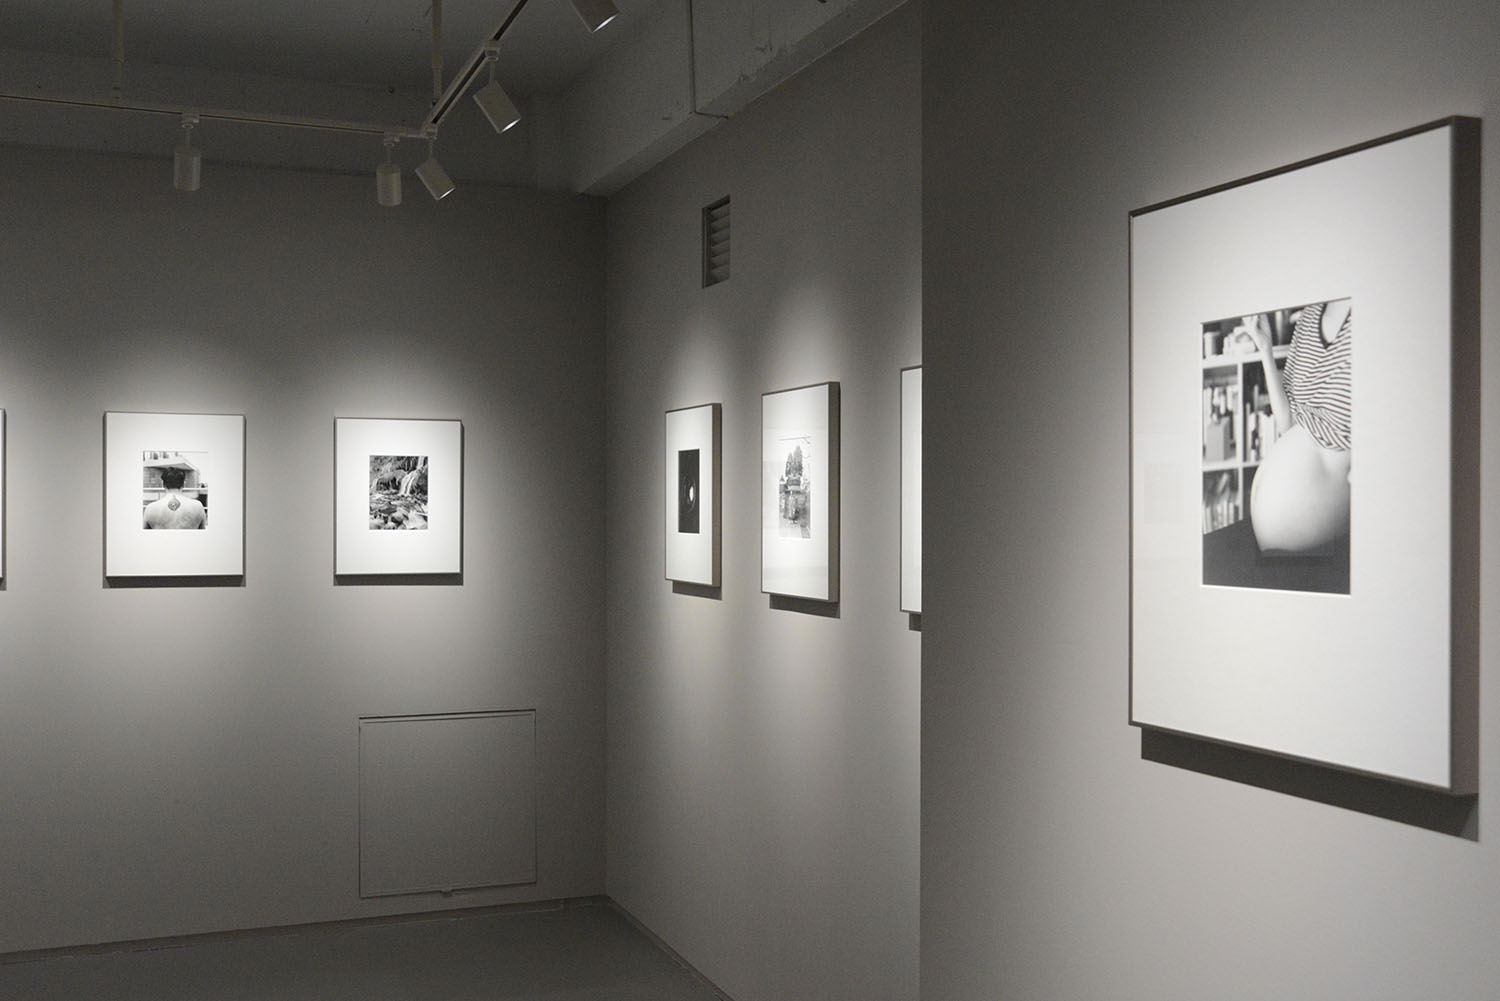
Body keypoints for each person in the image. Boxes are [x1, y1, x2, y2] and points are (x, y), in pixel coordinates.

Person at [1244, 299, 1352, 553]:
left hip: (1323, 539)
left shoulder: (1372, 317)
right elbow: (1287, 423)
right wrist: (1265, 348)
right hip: (1274, 538)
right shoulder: (1308, 318)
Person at [143, 465, 206, 530]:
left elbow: (144, 533)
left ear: (162, 484)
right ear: (184, 484)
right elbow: (203, 532)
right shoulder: (198, 506)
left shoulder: (150, 508)